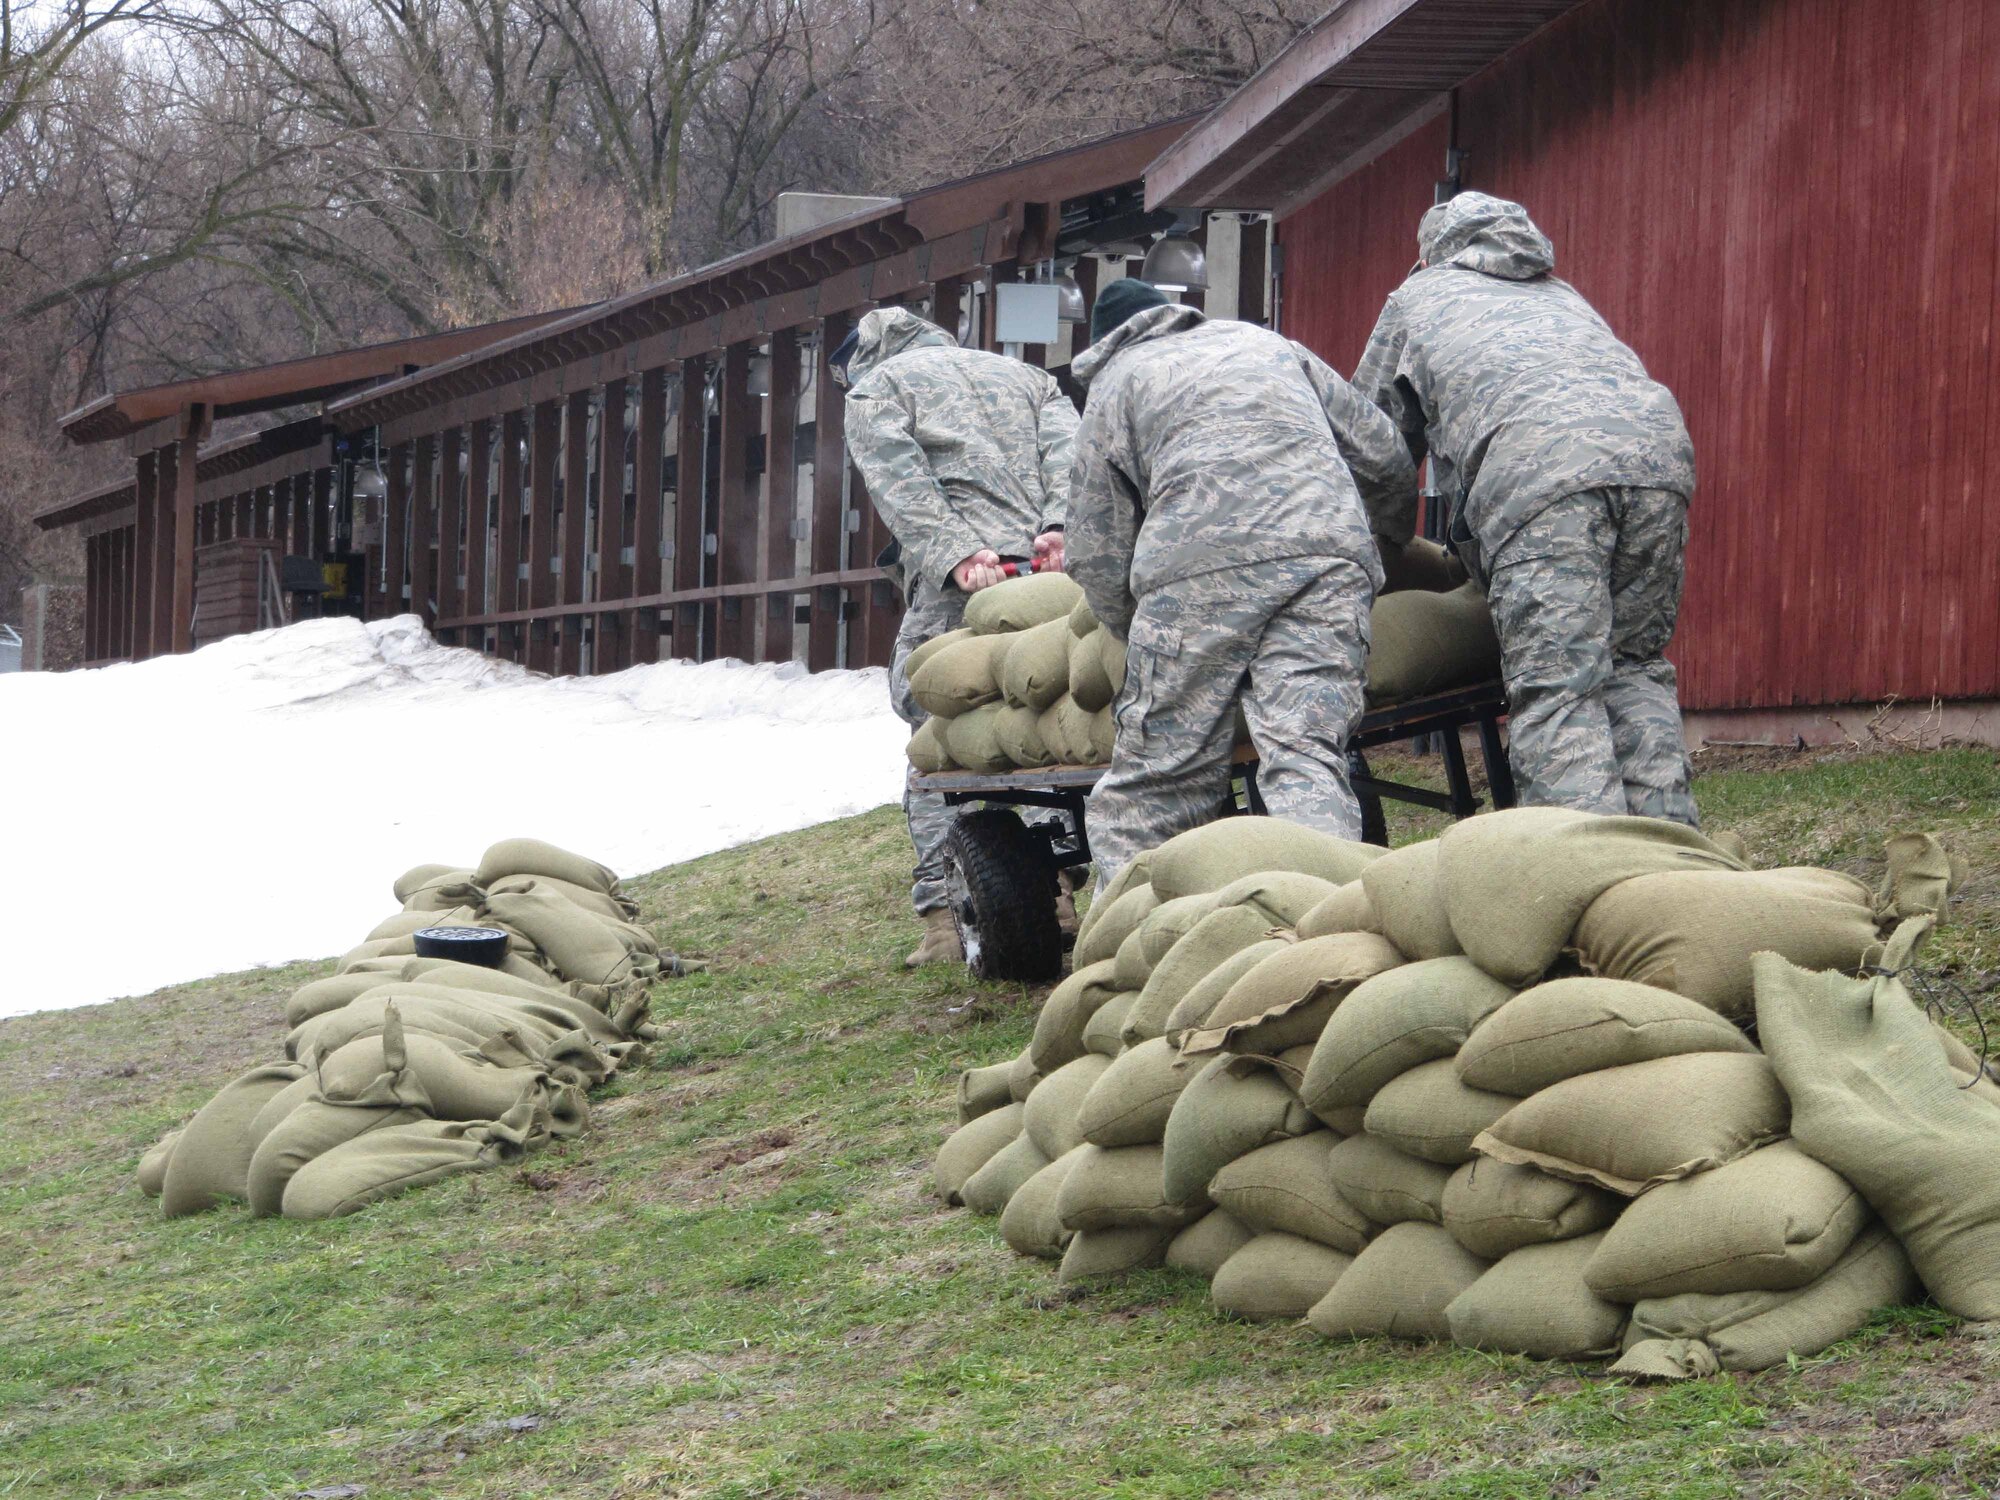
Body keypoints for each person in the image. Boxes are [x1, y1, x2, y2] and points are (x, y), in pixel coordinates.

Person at [1353, 191, 1699, 825]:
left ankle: (1591, 878)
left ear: (1433, 252)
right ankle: (1671, 863)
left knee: (1559, 686)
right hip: (1659, 464)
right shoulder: (1562, 295)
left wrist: (1389, 543)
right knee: (1633, 668)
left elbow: (1374, 447)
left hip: (1540, 476)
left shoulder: (1418, 299)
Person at [1066, 279, 1419, 888]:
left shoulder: (1117, 383)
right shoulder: (1271, 345)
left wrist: (1133, 626)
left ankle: (1123, 957)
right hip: (1328, 556)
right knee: (1305, 752)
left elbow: (1095, 547)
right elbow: (1386, 455)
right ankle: (1331, 929)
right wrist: (1376, 549)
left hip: (1197, 568)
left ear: (1105, 342)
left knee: (1156, 781)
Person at [836, 305, 1079, 967]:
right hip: (1050, 576)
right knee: (1048, 722)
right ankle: (1058, 888)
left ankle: (947, 920)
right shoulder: (1031, 379)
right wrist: (1057, 529)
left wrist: (959, 551)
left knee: (934, 735)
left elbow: (899, 480)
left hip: (964, 584)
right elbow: (1071, 454)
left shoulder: (876, 389)